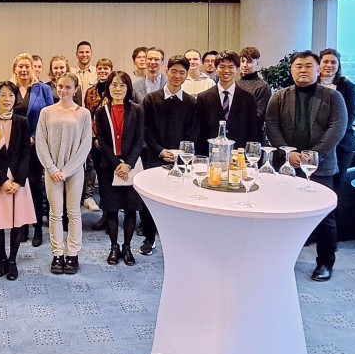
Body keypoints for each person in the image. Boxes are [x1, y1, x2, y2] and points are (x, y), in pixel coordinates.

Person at [265, 50, 346, 282]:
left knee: (325, 217)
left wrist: (313, 155)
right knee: (283, 213)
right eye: (298, 66)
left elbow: (337, 128)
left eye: (309, 66)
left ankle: (325, 263)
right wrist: (285, 151)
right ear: (291, 70)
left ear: (318, 69)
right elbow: (271, 125)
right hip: (288, 165)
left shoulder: (332, 97)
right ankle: (283, 259)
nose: (303, 70)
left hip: (320, 166)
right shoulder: (279, 96)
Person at [35, 73, 93, 275]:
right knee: (55, 214)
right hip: (53, 172)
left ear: (76, 89)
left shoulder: (84, 113)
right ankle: (58, 253)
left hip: (75, 171)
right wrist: (52, 169)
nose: (63, 90)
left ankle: (73, 254)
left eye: (68, 87)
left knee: (74, 213)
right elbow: (41, 143)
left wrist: (68, 170)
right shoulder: (46, 112)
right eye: (60, 86)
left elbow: (85, 145)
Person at [141, 56, 199, 256]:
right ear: (167, 71)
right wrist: (160, 150)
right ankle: (149, 237)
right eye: (174, 71)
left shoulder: (192, 102)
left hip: (181, 159)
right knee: (151, 199)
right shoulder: (151, 99)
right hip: (155, 156)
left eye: (182, 72)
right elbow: (146, 130)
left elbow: (193, 131)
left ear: (186, 75)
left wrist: (179, 154)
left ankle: (178, 241)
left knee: (179, 199)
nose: (177, 76)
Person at [0, 81, 35, 281]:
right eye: (2, 95)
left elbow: (25, 153)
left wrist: (18, 181)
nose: (7, 99)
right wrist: (3, 180)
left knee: (17, 221)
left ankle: (12, 259)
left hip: (18, 179)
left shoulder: (22, 121)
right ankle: (1, 257)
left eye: (10, 95)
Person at [95, 71, 145, 266]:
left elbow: (139, 140)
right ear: (108, 88)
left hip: (131, 166)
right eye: (114, 85)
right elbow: (102, 141)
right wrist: (117, 165)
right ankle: (114, 247)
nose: (118, 89)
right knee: (112, 210)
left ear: (128, 88)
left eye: (122, 85)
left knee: (131, 210)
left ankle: (127, 247)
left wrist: (128, 164)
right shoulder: (101, 111)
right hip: (110, 167)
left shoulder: (137, 110)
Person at [11, 53, 54, 247]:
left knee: (36, 187)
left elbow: (49, 117)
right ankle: (22, 227)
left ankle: (37, 228)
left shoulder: (43, 89)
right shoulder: (9, 88)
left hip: (36, 146)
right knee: (19, 186)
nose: (23, 69)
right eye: (20, 66)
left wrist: (35, 136)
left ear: (33, 68)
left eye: (27, 66)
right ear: (15, 68)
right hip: (15, 148)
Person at [194, 50, 259, 154]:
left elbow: (253, 132)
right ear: (216, 68)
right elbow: (199, 132)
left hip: (238, 154)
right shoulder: (203, 98)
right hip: (211, 153)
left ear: (237, 69)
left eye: (231, 67)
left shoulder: (248, 99)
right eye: (222, 66)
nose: (226, 70)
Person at [318, 48, 355, 187]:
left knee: (337, 184)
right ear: (319, 63)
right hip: (315, 142)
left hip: (342, 144)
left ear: (338, 65)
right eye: (326, 61)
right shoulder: (310, 85)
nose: (329, 65)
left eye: (333, 62)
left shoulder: (348, 87)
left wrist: (332, 134)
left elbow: (350, 117)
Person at [85, 58, 113, 230]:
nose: (103, 71)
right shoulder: (90, 92)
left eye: (106, 68)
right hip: (96, 143)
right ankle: (105, 215)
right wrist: (94, 138)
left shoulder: (116, 89)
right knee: (102, 181)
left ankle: (113, 215)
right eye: (100, 68)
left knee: (112, 180)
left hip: (113, 143)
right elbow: (88, 116)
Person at [238, 46, 273, 138]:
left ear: (257, 63)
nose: (245, 65)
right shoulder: (236, 83)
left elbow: (258, 115)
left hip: (253, 136)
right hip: (236, 133)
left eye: (249, 62)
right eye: (242, 61)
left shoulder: (262, 86)